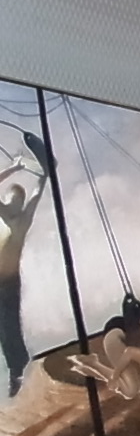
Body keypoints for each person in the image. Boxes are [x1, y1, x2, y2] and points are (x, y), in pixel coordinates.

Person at [68, 293, 140, 407]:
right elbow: (130, 352)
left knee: (132, 386)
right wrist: (114, 377)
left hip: (122, 330)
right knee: (131, 391)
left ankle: (91, 365)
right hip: (116, 334)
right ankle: (93, 363)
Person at [0, 155, 45, 397]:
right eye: (11, 201)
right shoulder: (4, 216)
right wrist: (14, 168)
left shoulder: (23, 220)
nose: (14, 206)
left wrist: (44, 176)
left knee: (10, 328)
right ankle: (17, 368)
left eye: (18, 201)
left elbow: (37, 195)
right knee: (3, 331)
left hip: (9, 282)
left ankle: (18, 371)